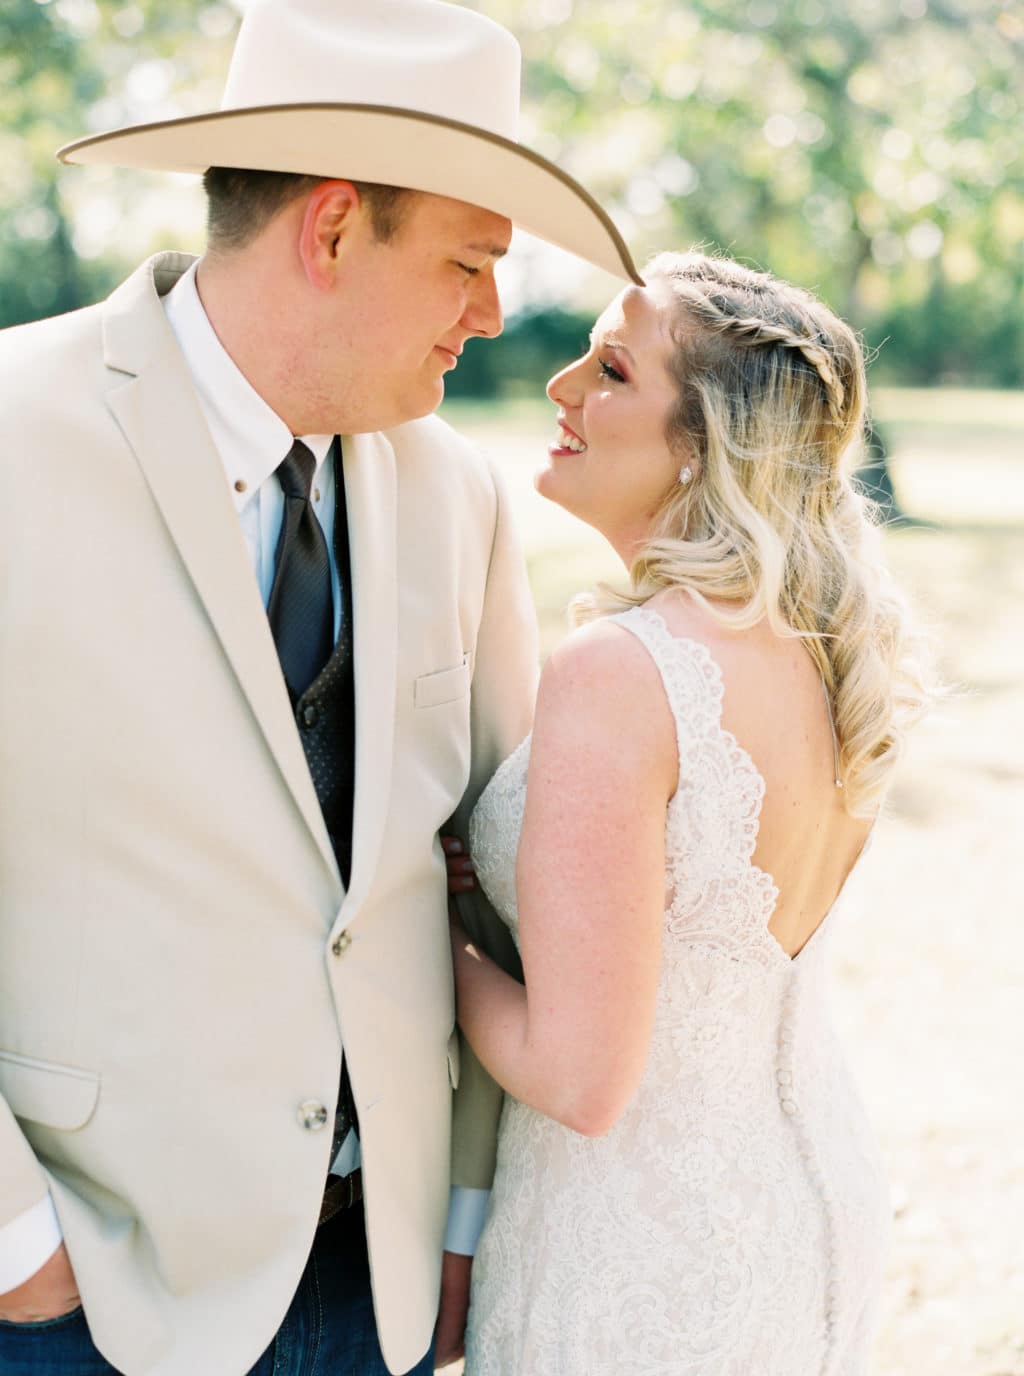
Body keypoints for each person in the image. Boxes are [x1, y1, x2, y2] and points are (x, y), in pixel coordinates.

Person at [0, 2, 640, 1374]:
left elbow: (494, 882)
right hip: (83, 1300)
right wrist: (21, 1252)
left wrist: (462, 1219)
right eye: (471, 265)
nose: (489, 316)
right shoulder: (11, 435)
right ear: (334, 228)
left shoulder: (455, 495)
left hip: (383, 1299)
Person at [447, 250, 934, 1373]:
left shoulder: (621, 669)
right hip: (803, 1207)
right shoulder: (822, 652)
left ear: (704, 443)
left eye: (610, 368)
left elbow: (579, 1074)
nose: (561, 386)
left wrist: (425, 930)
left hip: (635, 1249)